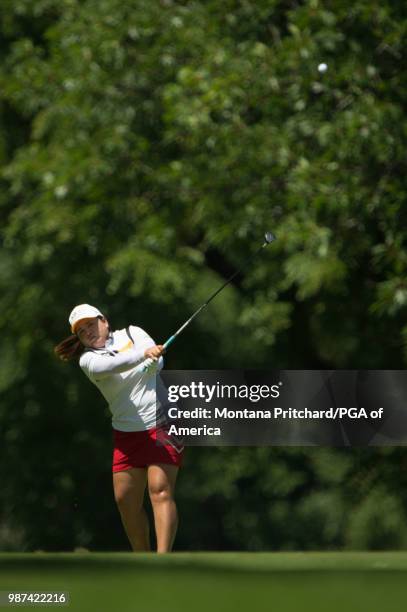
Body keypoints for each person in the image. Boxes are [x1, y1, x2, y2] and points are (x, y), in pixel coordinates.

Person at [54, 304, 184, 553]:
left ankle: (164, 561)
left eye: (91, 324)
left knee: (160, 490)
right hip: (127, 434)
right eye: (81, 331)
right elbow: (113, 366)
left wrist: (151, 362)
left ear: (104, 320)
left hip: (163, 422)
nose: (88, 332)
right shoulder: (88, 360)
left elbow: (158, 362)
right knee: (125, 501)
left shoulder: (134, 333)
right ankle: (141, 559)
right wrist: (143, 357)